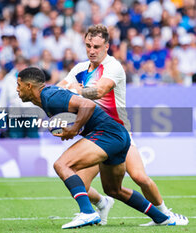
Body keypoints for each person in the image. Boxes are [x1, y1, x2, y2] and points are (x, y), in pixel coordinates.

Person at [16, 67, 184, 229]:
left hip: (107, 134)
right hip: (118, 136)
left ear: (29, 86)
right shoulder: (48, 98)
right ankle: (162, 218)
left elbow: (87, 105)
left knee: (62, 165)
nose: (17, 89)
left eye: (19, 84)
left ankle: (87, 212)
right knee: (113, 189)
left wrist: (74, 129)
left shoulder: (50, 96)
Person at [57, 24, 188, 226]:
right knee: (82, 184)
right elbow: (60, 89)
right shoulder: (79, 69)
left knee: (139, 176)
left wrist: (77, 91)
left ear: (107, 46)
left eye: (97, 46)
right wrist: (63, 91)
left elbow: (99, 91)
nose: (92, 50)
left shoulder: (113, 67)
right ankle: (102, 202)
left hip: (118, 132)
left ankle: (166, 214)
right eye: (88, 45)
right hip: (96, 136)